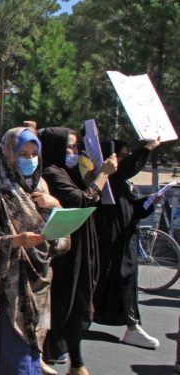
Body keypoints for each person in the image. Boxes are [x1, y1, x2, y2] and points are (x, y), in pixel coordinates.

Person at [0, 127, 69, 375]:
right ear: (9, 154)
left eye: (33, 154)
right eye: (23, 153)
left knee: (31, 350)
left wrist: (56, 206)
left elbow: (60, 240)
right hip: (9, 289)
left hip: (38, 283)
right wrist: (16, 241)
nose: (29, 159)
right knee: (12, 357)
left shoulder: (40, 185)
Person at [38, 127, 118, 375]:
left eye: (76, 147)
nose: (74, 153)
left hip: (80, 245)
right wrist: (103, 175)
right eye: (69, 148)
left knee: (78, 302)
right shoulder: (51, 172)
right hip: (65, 251)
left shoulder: (67, 171)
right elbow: (83, 199)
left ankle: (77, 362)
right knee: (65, 302)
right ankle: (48, 356)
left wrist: (95, 172)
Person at [93, 138, 161, 349]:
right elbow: (127, 169)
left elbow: (133, 209)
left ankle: (132, 326)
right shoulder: (105, 179)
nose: (122, 161)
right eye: (120, 156)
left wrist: (150, 202)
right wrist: (147, 149)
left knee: (125, 282)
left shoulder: (120, 183)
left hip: (125, 240)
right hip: (109, 242)